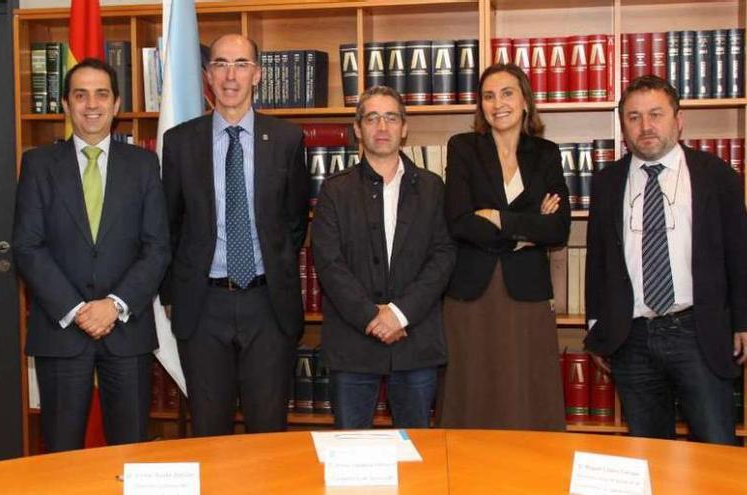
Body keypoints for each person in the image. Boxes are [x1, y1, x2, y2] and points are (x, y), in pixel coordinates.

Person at [13, 58, 170, 452]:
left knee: (130, 451)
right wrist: (77, 309)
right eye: (80, 95)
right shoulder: (38, 164)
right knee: (61, 454)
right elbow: (28, 246)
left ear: (116, 104)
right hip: (62, 329)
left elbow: (157, 247)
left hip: (126, 331)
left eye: (101, 94)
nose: (91, 105)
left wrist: (114, 305)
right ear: (65, 104)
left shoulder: (144, 164)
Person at [585, 75, 747, 444]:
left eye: (656, 114)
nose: (646, 126)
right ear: (623, 125)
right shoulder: (607, 182)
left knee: (716, 448)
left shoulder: (717, 175)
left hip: (698, 331)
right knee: (649, 453)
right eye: (634, 117)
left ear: (678, 119)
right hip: (632, 337)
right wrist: (596, 328)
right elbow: (598, 261)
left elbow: (739, 252)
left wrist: (743, 320)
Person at [160, 34, 309, 436]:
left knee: (268, 428)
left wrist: (270, 266)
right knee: (209, 430)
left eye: (241, 64)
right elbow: (168, 224)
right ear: (208, 75)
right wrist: (173, 294)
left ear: (257, 74)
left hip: (268, 304)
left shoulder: (287, 140)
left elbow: (295, 221)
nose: (230, 75)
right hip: (202, 305)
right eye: (221, 64)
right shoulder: (179, 142)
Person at [311, 86, 455, 429]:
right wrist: (373, 318)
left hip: (415, 340)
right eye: (372, 118)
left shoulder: (433, 188)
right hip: (353, 342)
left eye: (391, 117)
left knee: (417, 453)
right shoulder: (334, 190)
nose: (382, 126)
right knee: (351, 454)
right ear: (358, 129)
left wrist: (399, 315)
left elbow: (444, 256)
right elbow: (329, 264)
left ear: (404, 127)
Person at [437, 63, 570, 430]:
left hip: (526, 293)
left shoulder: (546, 153)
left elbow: (558, 228)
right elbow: (460, 221)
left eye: (507, 93)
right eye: (489, 96)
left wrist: (498, 218)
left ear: (526, 100)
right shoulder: (464, 147)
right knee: (470, 395)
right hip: (470, 293)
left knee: (526, 396)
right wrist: (529, 230)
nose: (498, 104)